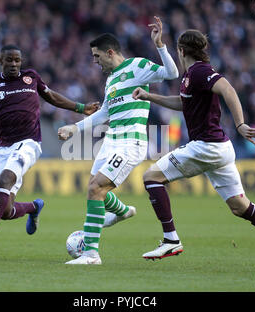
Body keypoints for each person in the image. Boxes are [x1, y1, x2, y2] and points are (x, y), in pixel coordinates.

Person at [132, 29, 255, 271]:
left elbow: (228, 89)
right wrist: (149, 96)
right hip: (219, 149)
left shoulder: (201, 71)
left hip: (207, 147)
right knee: (241, 207)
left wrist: (240, 124)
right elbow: (182, 103)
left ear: (181, 50)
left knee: (151, 177)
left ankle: (171, 239)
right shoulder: (190, 76)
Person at [57, 16, 179, 264]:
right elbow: (104, 113)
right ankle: (122, 212)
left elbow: (172, 73)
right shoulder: (111, 80)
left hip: (130, 142)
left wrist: (160, 45)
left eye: (96, 56)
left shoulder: (137, 67)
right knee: (94, 186)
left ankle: (90, 254)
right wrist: (75, 128)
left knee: (95, 189)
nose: (95, 61)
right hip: (112, 140)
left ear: (110, 52)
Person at [0, 44, 99, 253]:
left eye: (17, 60)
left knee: (4, 180)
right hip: (4, 146)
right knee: (5, 210)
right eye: (9, 60)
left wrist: (81, 108)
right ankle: (34, 207)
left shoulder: (31, 77)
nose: (14, 64)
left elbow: (51, 96)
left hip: (29, 142)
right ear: (1, 61)